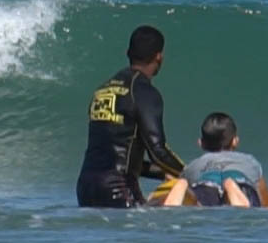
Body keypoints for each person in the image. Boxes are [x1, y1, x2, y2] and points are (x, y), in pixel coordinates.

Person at [76, 25, 186, 207]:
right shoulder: (144, 91)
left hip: (85, 187)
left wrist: (164, 173)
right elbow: (158, 151)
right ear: (159, 56)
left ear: (128, 52)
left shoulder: (102, 90)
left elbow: (120, 157)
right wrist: (189, 173)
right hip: (118, 189)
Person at [169, 111, 268, 208]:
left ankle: (181, 186)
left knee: (198, 200)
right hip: (238, 178)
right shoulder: (249, 161)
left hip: (206, 182)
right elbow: (265, 198)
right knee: (246, 195)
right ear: (235, 141)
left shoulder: (193, 165)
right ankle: (231, 187)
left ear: (201, 143)